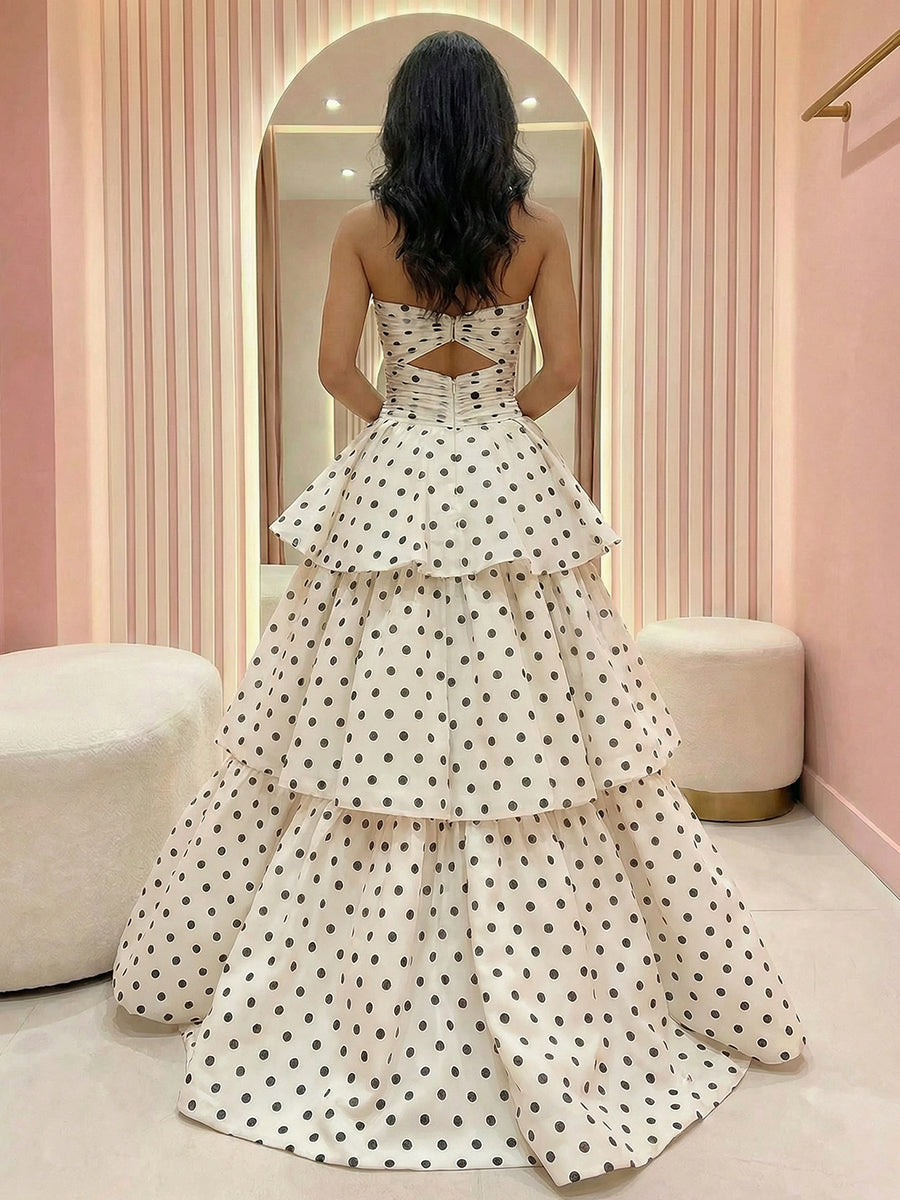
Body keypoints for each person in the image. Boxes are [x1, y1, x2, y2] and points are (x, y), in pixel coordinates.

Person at [112, 30, 806, 1187]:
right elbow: (565, 369)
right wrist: (491, 413)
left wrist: (399, 412)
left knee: (341, 705)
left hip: (396, 459)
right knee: (545, 701)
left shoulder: (360, 230)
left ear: (403, 123)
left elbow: (333, 367)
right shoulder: (539, 233)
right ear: (495, 123)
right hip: (500, 460)